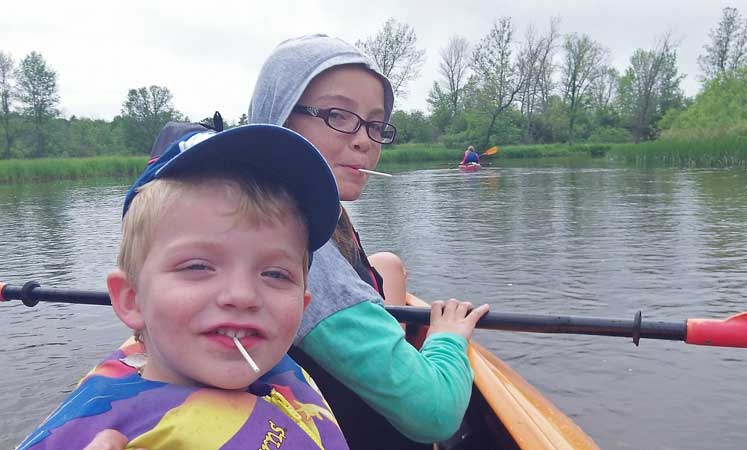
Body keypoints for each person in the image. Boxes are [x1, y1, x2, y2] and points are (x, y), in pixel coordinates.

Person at [85, 34, 490, 450]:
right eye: (338, 114)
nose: (364, 140)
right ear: (278, 117)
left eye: (374, 124)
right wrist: (447, 337)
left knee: (387, 263)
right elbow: (434, 414)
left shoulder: (320, 218)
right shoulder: (309, 255)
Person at [18, 124, 348, 450]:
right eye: (198, 267)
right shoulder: (110, 439)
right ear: (132, 300)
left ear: (302, 306)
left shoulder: (276, 372)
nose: (243, 296)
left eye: (275, 274)